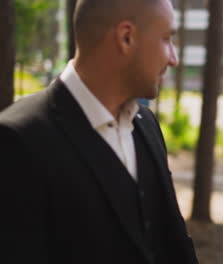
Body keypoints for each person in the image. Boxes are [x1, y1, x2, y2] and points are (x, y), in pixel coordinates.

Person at [0, 0, 198, 263]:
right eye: (166, 39)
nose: (173, 58)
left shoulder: (147, 125)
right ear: (125, 37)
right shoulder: (18, 139)